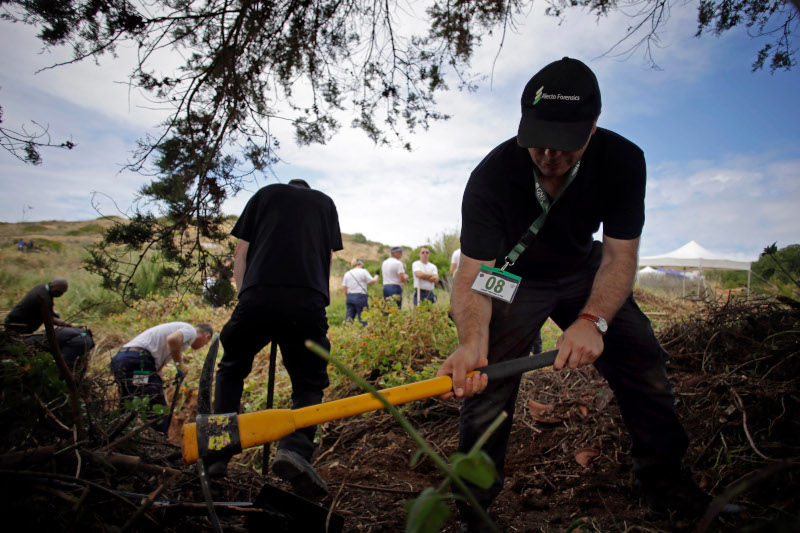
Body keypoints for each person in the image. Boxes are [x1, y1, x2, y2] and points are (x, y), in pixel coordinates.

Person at [436, 57, 710, 530]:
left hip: (587, 269)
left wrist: (593, 321)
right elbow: (475, 273)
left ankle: (666, 484)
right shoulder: (492, 176)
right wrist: (471, 341)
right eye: (538, 140)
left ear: (593, 126)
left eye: (566, 144)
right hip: (515, 277)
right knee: (487, 381)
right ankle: (474, 510)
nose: (549, 155)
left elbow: (620, 257)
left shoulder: (624, 161)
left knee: (643, 363)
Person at [210, 178, 343, 499]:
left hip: (259, 294)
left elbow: (241, 252)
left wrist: (245, 296)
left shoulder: (265, 194)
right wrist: (318, 298)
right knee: (309, 383)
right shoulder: (324, 202)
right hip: (307, 299)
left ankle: (216, 453)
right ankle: (295, 450)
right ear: (307, 189)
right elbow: (326, 258)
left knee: (231, 369)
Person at [110, 322, 212, 434]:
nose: (203, 345)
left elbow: (157, 366)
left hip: (124, 360)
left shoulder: (180, 333)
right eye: (206, 343)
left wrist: (159, 384)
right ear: (206, 336)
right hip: (139, 362)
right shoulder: (191, 331)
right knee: (157, 409)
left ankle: (118, 436)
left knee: (130, 401)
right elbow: (172, 339)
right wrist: (179, 364)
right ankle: (160, 442)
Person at [4, 278, 93, 369]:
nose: (60, 295)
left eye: (62, 293)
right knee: (18, 348)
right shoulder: (44, 297)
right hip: (17, 327)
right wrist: (69, 325)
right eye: (59, 292)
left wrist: (55, 315)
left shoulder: (42, 288)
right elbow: (50, 320)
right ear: (53, 286)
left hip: (18, 324)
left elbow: (47, 312)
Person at [342, 258, 379, 325]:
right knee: (364, 318)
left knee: (348, 319)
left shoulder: (347, 273)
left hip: (350, 297)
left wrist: (348, 297)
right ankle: (365, 333)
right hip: (360, 297)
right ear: (361, 264)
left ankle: (346, 333)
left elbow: (344, 287)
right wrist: (377, 275)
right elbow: (372, 282)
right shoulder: (363, 271)